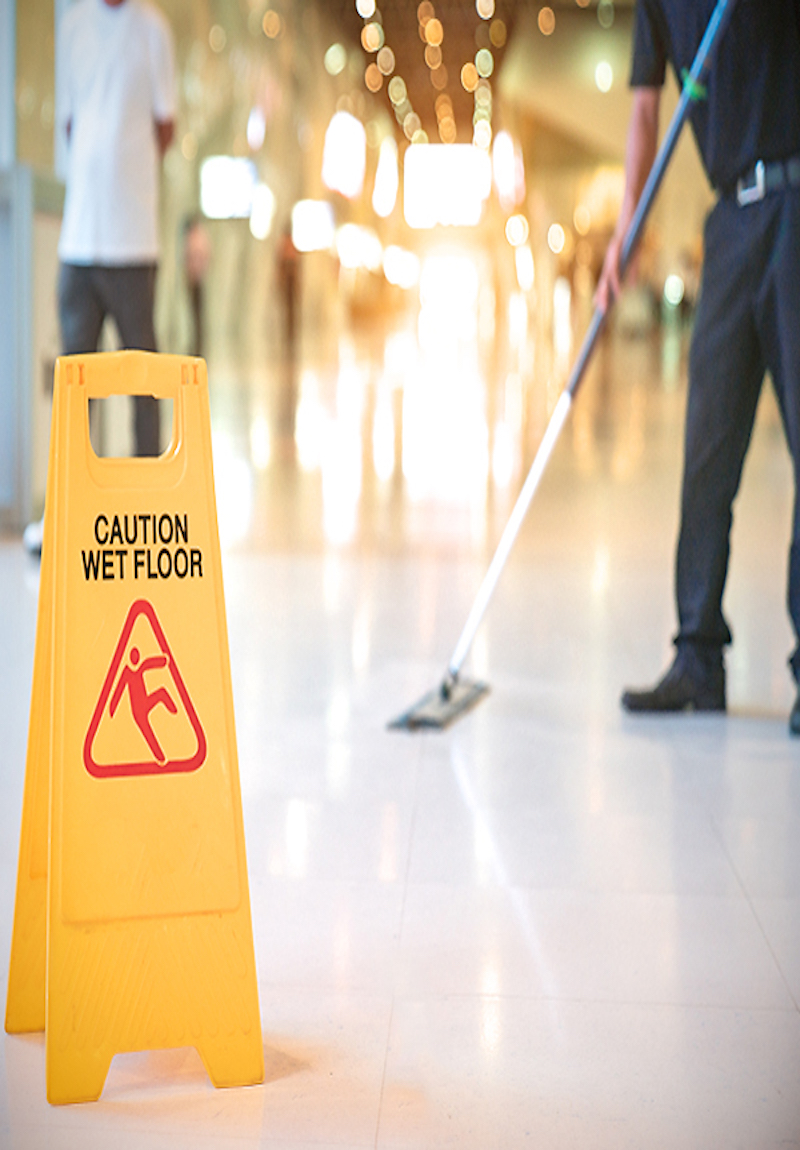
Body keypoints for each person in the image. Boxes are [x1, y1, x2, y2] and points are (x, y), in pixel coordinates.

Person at [595, 0, 800, 732]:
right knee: (706, 451)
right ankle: (697, 657)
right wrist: (627, 231)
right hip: (731, 217)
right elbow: (644, 112)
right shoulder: (655, 6)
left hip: (795, 198)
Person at [55, 0, 176, 456]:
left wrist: (125, 169)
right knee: (73, 382)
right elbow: (71, 121)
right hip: (80, 238)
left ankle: (146, 501)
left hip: (132, 240)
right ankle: (67, 507)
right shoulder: (73, 26)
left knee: (143, 381)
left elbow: (165, 124)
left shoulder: (152, 29)